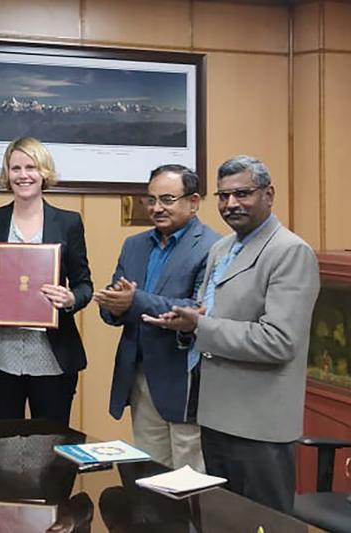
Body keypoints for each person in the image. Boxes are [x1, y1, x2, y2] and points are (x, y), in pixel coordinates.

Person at [142, 155, 320, 513]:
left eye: (242, 193)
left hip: (259, 427)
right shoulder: (222, 248)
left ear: (268, 194)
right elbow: (210, 318)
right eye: (223, 196)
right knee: (221, 519)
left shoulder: (290, 252)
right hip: (215, 417)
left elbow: (279, 341)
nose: (231, 204)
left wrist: (201, 326)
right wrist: (187, 327)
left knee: (260, 523)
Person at [94, 164, 220, 471]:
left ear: (193, 202)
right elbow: (115, 303)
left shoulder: (213, 246)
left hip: (184, 380)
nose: (157, 208)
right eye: (151, 200)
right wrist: (113, 305)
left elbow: (199, 307)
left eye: (167, 199)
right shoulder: (134, 245)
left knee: (190, 480)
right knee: (149, 477)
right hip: (138, 376)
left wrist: (134, 301)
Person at [0, 137, 93, 424]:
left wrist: (71, 298)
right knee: (0, 449)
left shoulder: (68, 222)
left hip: (52, 359)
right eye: (15, 168)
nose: (23, 175)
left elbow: (85, 285)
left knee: (50, 451)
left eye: (31, 167)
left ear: (44, 172)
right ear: (6, 174)